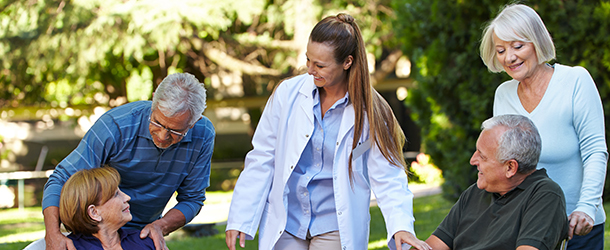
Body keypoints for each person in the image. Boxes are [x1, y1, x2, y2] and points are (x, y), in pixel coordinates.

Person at [225, 13, 430, 250]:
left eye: (320, 65)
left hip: (335, 225)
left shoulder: (372, 112)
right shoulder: (287, 94)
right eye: (308, 60)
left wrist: (401, 226)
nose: (310, 70)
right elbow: (262, 158)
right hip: (287, 221)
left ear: (347, 62)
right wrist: (241, 216)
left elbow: (388, 177)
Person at [480, 4, 608, 249]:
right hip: (528, 227)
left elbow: (595, 151)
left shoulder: (575, 81)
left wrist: (586, 207)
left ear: (537, 42)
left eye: (518, 46)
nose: (509, 57)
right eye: (501, 50)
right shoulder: (503, 94)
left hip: (577, 224)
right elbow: (504, 163)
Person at [42, 72, 215, 250]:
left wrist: (160, 226)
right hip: (98, 230)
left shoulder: (203, 134)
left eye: (175, 131)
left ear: (194, 123)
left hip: (142, 233)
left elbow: (193, 198)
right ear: (154, 100)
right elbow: (60, 178)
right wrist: (53, 234)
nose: (163, 136)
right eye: (157, 122)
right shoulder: (115, 125)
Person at [426, 114, 569, 250]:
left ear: (510, 167)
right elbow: (434, 245)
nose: (472, 160)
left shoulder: (545, 195)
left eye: (482, 156)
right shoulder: (475, 191)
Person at [59, 166, 154, 249]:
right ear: (94, 212)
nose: (127, 197)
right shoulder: (70, 247)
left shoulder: (142, 242)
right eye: (116, 194)